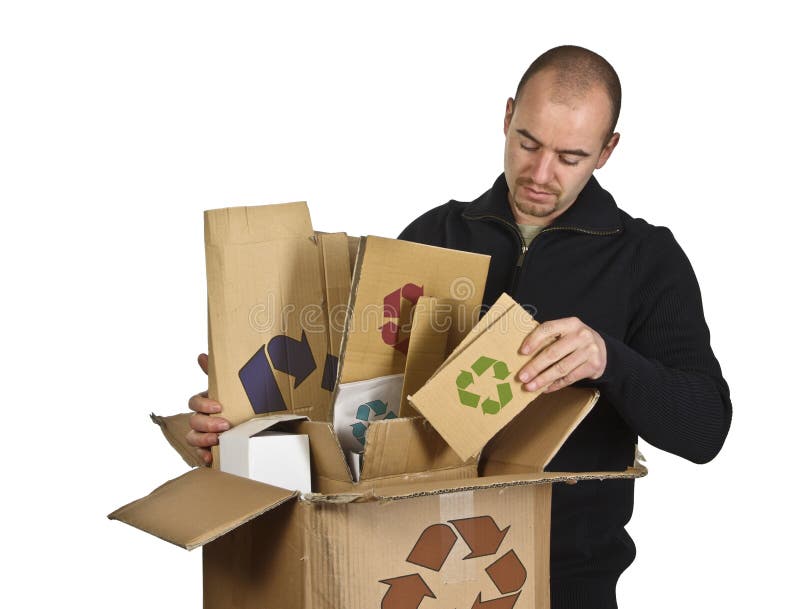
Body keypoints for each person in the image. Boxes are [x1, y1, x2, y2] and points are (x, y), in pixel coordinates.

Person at [187, 45, 732, 608]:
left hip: (564, 584)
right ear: (506, 116)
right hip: (414, 572)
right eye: (527, 142)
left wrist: (610, 361)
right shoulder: (434, 234)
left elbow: (705, 430)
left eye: (570, 157)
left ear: (607, 150)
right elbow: (351, 407)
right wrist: (246, 422)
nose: (540, 174)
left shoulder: (647, 259)